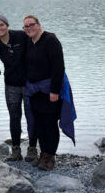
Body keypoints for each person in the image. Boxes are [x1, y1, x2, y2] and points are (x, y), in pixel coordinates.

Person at [23, 15, 76, 170]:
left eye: (31, 25)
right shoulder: (30, 42)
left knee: (50, 124)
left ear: (39, 25)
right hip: (35, 91)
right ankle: (43, 154)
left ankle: (50, 157)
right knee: (39, 124)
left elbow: (58, 67)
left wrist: (54, 91)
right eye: (25, 27)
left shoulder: (50, 40)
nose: (29, 28)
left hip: (49, 91)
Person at [0, 13, 37, 162]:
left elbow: (37, 49)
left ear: (7, 25)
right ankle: (15, 150)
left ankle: (32, 148)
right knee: (14, 117)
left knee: (32, 115)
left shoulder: (21, 36)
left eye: (2, 25)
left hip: (28, 83)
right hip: (11, 85)